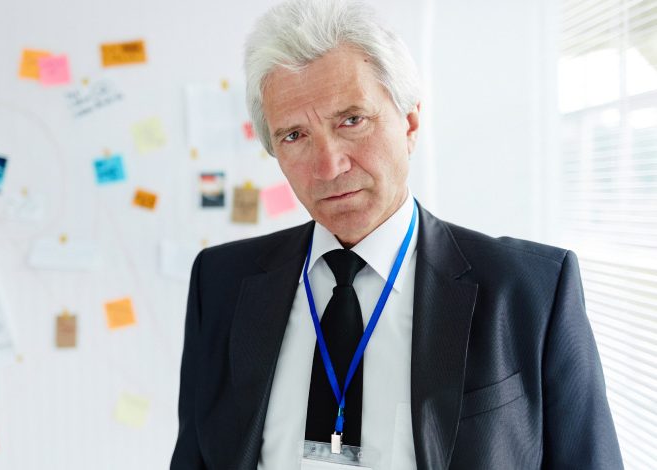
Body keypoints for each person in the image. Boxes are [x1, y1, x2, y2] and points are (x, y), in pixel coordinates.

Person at [171, 0, 623, 468]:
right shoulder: (219, 282)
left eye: (352, 120)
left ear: (409, 123)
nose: (329, 166)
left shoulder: (532, 290)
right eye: (294, 136)